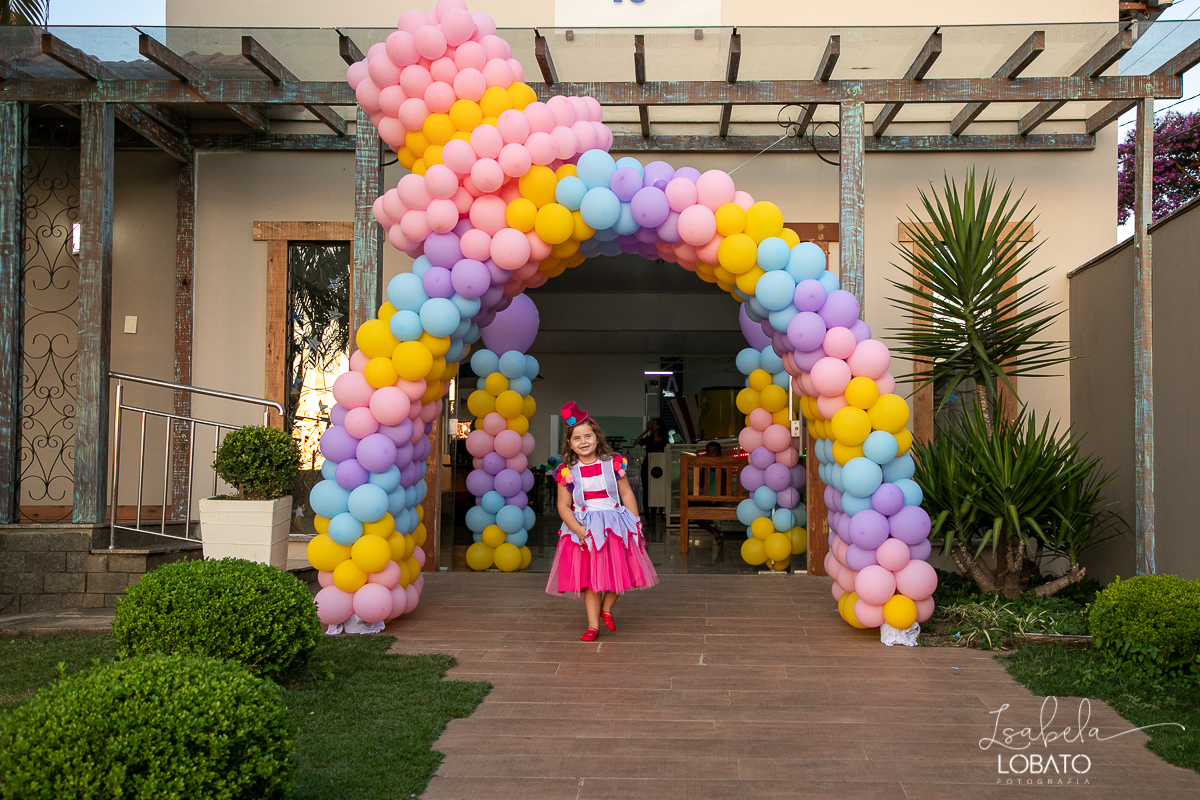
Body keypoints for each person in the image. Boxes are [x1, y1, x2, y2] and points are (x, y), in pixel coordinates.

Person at [547, 402, 659, 641]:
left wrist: (635, 522)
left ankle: (606, 608)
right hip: (585, 528)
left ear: (597, 438)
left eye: (588, 436)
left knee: (623, 569)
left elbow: (626, 493)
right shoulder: (567, 471)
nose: (583, 441)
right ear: (569, 443)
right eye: (577, 438)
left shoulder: (612, 464)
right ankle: (592, 625)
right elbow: (563, 506)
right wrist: (578, 530)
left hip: (614, 526)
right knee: (590, 581)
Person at [634, 418, 667, 517]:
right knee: (646, 491)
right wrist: (646, 431)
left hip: (658, 465)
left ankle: (653, 516)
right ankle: (647, 517)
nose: (651, 426)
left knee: (655, 490)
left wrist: (655, 430)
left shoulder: (663, 437)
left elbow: (657, 440)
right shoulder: (649, 438)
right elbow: (637, 441)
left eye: (653, 424)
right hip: (647, 463)